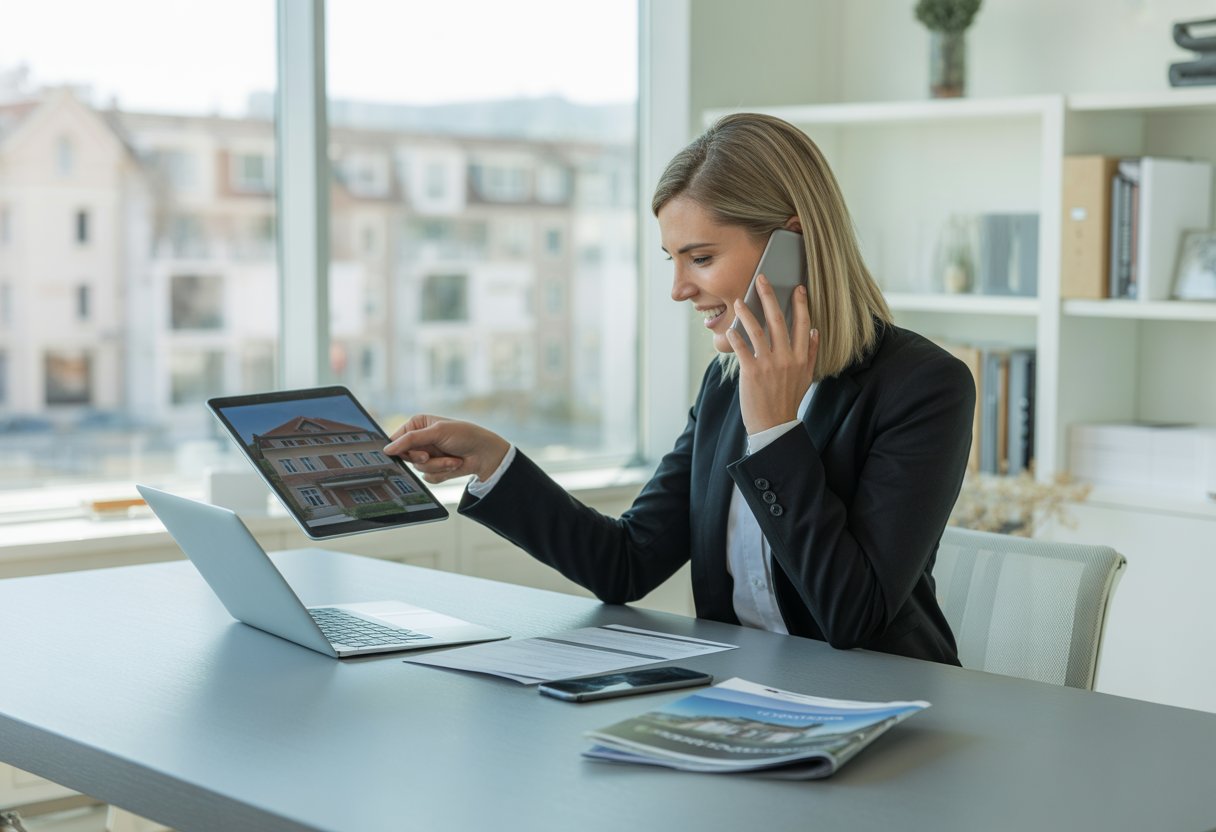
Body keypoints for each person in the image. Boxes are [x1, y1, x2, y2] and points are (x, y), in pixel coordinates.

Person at [385, 113, 974, 665]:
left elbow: (853, 616)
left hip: (884, 707)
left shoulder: (922, 387)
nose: (679, 288)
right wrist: (492, 459)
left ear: (790, 245)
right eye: (672, 259)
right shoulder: (724, 387)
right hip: (741, 700)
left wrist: (774, 432)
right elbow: (627, 562)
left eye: (700, 257)